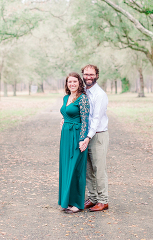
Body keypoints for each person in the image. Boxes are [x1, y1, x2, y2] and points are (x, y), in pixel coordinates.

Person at [58, 72, 90, 214]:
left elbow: (85, 120)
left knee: (76, 169)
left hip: (77, 136)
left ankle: (77, 203)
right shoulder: (66, 97)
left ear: (79, 83)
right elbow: (66, 113)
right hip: (65, 137)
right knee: (66, 168)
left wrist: (83, 139)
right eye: (69, 82)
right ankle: (68, 201)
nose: (72, 84)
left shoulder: (82, 99)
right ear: (67, 84)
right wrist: (64, 120)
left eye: (75, 82)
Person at [81, 64, 110, 212]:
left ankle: (103, 200)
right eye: (86, 74)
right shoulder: (84, 92)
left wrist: (88, 137)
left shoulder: (100, 95)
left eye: (91, 74)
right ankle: (92, 198)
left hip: (97, 136)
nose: (88, 77)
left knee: (99, 170)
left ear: (97, 75)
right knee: (88, 170)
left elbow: (96, 119)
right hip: (85, 136)